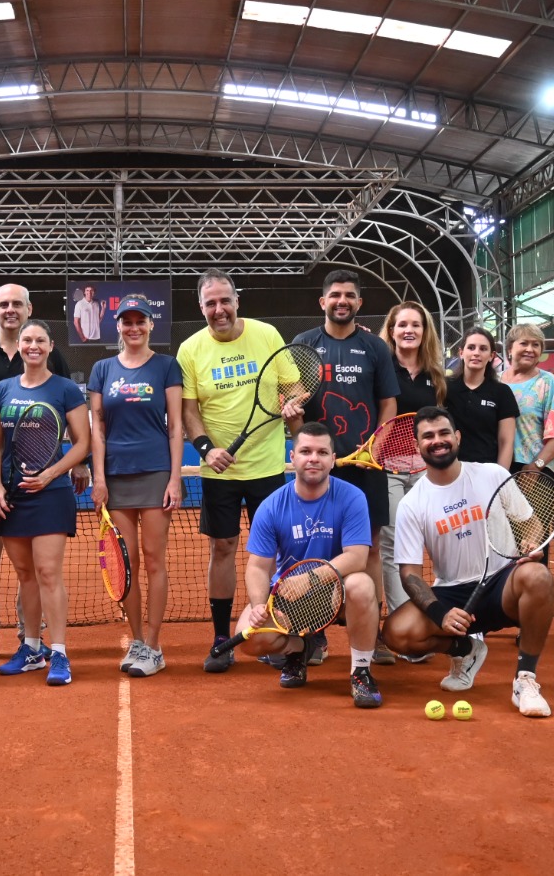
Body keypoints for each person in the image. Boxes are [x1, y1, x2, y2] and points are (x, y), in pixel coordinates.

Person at [381, 406, 554, 717]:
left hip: (502, 583)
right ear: (417, 445)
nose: (438, 440)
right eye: (428, 436)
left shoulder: (492, 474)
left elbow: (529, 522)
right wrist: (440, 612)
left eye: (444, 432)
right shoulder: (412, 503)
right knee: (396, 632)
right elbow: (409, 573)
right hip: (454, 593)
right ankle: (465, 650)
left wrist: (532, 543)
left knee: (538, 576)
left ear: (457, 437)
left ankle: (525, 679)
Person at [177, 268, 292, 672]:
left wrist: (294, 405)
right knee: (222, 548)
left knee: (276, 553)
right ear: (201, 307)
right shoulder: (190, 349)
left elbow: (292, 389)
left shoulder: (267, 335)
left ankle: (275, 632)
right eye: (210, 303)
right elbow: (189, 412)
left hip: (267, 469)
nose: (219, 309)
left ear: (237, 300)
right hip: (219, 473)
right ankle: (222, 637)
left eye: (225, 300)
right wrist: (206, 449)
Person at [0, 284, 79, 664]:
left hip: (44, 482)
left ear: (30, 309)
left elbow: (68, 421)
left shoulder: (54, 363)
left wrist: (74, 468)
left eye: (18, 304)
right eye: (4, 304)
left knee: (37, 569)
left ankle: (32, 638)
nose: (11, 310)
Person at [291, 268, 398, 666]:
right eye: (335, 295)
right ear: (323, 302)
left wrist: (377, 448)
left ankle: (372, 635)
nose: (342, 301)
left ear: (359, 303)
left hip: (367, 465)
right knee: (315, 549)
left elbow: (388, 403)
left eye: (349, 295)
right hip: (320, 467)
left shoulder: (375, 347)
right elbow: (294, 405)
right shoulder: (303, 345)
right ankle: (313, 636)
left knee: (367, 549)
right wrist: (297, 431)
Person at [233, 423, 382, 708]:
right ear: (293, 458)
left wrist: (312, 579)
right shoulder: (272, 505)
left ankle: (361, 671)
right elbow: (257, 567)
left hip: (337, 590)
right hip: (288, 596)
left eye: (322, 452)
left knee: (362, 584)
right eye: (305, 451)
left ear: (332, 458)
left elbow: (357, 557)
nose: (313, 458)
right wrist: (256, 605)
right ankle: (300, 648)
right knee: (251, 640)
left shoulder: (352, 497)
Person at [0, 320, 92, 686]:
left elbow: (83, 443)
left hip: (50, 494)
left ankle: (59, 652)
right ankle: (31, 648)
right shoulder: (3, 389)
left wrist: (50, 475)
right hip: (12, 496)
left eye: (40, 341)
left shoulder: (65, 390)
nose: (33, 346)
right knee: (25, 576)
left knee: (48, 572)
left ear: (50, 347)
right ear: (20, 345)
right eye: (27, 340)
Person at [88, 295, 184, 677]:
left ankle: (156, 646)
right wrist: (99, 477)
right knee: (126, 565)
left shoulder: (166, 366)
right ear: (118, 326)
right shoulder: (101, 369)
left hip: (156, 472)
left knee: (155, 559)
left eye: (139, 321)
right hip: (116, 476)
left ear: (149, 325)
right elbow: (98, 427)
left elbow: (175, 426)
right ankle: (139, 640)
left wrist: (176, 477)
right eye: (126, 322)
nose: (133, 328)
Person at [376, 301, 447, 661]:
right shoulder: (381, 366)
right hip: (386, 468)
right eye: (401, 324)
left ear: (424, 331)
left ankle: (432, 621)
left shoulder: (436, 374)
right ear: (391, 330)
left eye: (415, 325)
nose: (408, 330)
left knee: (433, 544)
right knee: (391, 548)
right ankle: (403, 627)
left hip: (424, 472)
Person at [499, 323, 554, 478]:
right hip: (495, 469)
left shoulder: (547, 381)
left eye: (536, 345)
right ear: (510, 349)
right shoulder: (494, 381)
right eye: (524, 343)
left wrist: (536, 466)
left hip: (534, 471)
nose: (530, 349)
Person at [445, 326, 519, 468]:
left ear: (492, 356)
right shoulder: (444, 387)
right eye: (471, 347)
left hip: (488, 472)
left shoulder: (502, 392)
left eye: (483, 349)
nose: (476, 353)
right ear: (461, 352)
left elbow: (506, 442)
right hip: (451, 471)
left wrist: (500, 479)